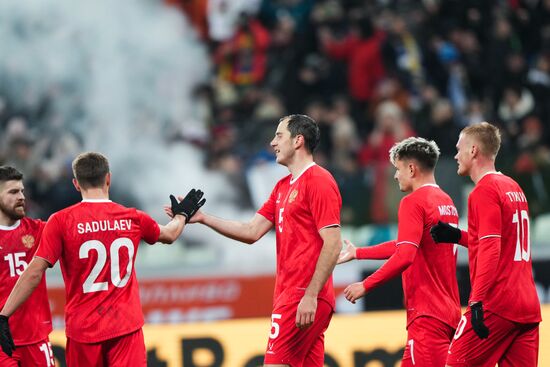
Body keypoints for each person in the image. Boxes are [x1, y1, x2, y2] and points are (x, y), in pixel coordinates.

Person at [0, 152, 205, 367]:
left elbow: (34, 271)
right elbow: (170, 234)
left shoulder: (61, 222)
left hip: (83, 332)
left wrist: (3, 316)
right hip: (126, 328)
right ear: (108, 179)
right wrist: (182, 215)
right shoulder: (132, 217)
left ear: (76, 184)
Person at [186, 114, 342, 366]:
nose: (272, 143)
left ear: (298, 141)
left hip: (301, 295)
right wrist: (204, 218)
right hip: (294, 295)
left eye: (279, 136)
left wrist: (310, 295)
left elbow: (333, 243)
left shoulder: (319, 181)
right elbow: (251, 231)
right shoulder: (282, 187)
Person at [338, 137, 461, 366]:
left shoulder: (412, 202)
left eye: (398, 168)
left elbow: (405, 256)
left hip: (427, 315)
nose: (395, 175)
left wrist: (366, 284)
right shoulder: (446, 201)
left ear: (411, 168)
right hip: (448, 312)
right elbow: (408, 244)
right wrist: (359, 253)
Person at [430, 122, 541, 366]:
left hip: (497, 303)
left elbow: (491, 248)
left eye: (459, 149)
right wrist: (457, 235)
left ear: (473, 151)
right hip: (527, 307)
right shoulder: (513, 187)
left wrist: (476, 301)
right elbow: (505, 241)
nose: (456, 155)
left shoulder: (484, 191)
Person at [0, 166, 54, 367]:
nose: (21, 196)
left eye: (22, 191)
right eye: (13, 192)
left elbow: (77, 232)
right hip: (1, 341)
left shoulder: (39, 230)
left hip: (36, 339)